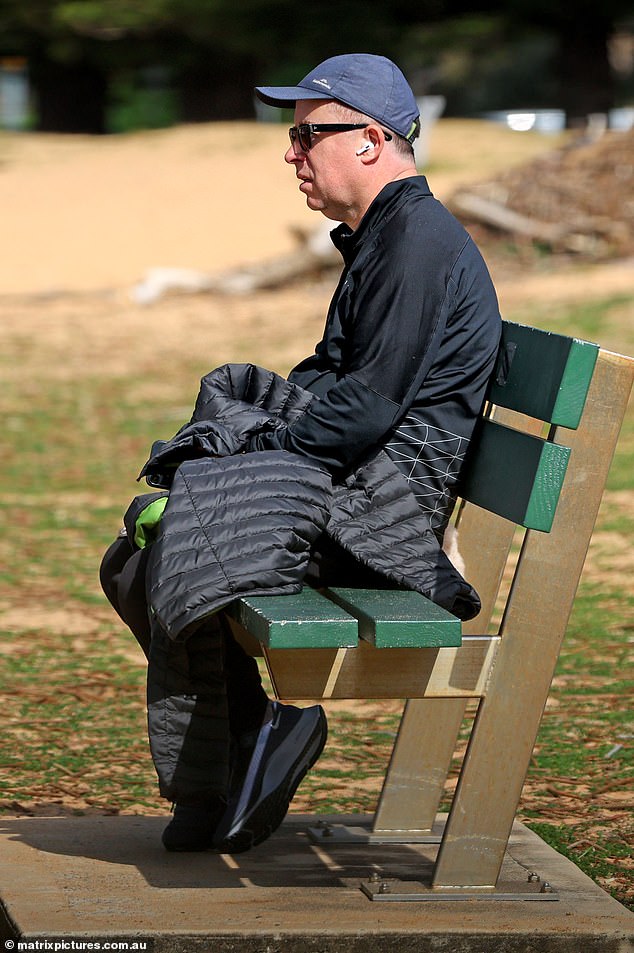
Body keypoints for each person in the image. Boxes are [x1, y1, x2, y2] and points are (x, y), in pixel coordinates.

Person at [100, 52, 501, 853]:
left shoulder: (416, 243)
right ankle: (238, 752)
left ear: (371, 141)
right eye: (293, 134)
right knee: (135, 554)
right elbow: (329, 376)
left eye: (308, 133)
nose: (291, 152)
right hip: (354, 480)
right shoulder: (382, 235)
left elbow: (364, 411)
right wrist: (247, 434)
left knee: (184, 529)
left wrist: (258, 450)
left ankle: (248, 755)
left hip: (381, 509)